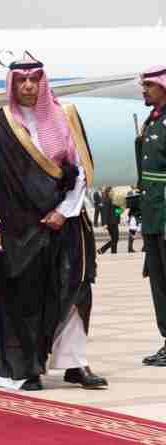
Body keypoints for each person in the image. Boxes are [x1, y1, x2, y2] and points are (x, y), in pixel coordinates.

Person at [0, 57, 107, 390]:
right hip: (20, 229)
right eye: (21, 80)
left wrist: (64, 210)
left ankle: (75, 364)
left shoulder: (66, 117)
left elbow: (81, 171)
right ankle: (25, 368)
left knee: (76, 289)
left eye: (35, 79)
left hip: (66, 222)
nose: (28, 86)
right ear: (12, 84)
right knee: (25, 297)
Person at [136, 65, 166, 367]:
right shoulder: (153, 121)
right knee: (159, 281)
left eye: (148, 85)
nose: (143, 90)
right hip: (154, 215)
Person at [98, 187, 121, 254]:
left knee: (115, 238)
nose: (113, 192)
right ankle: (103, 250)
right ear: (108, 192)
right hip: (109, 222)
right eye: (111, 191)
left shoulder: (114, 200)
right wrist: (104, 223)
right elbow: (104, 212)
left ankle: (112, 252)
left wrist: (120, 210)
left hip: (114, 222)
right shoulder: (106, 200)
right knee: (115, 238)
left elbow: (117, 211)